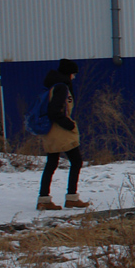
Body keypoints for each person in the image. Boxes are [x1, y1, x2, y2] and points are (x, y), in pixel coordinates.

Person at [37, 59, 89, 210]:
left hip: (50, 131)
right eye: (73, 74)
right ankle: (72, 197)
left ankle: (44, 199)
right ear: (68, 73)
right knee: (76, 161)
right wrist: (68, 124)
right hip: (60, 130)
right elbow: (55, 111)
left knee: (52, 163)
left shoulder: (53, 85)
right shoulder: (61, 87)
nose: (74, 77)